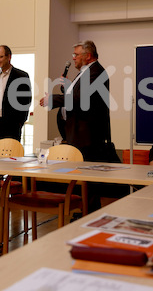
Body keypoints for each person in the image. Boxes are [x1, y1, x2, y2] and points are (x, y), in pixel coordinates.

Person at [40, 40, 121, 211]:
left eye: (76, 55)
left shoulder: (96, 72)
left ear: (88, 55)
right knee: (84, 180)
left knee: (89, 180)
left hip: (88, 136)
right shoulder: (86, 72)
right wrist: (67, 88)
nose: (73, 58)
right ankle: (86, 211)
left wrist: (52, 99)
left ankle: (90, 213)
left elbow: (81, 99)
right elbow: (78, 95)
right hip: (77, 134)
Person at [0, 45, 32, 145]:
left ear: (9, 57)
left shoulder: (21, 76)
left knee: (10, 157)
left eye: (0, 57)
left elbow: (26, 102)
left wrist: (19, 123)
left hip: (11, 126)